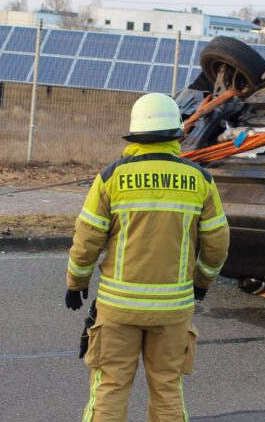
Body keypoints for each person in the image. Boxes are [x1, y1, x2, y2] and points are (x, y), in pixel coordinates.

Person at [66, 93, 230, 421]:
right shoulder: (201, 180)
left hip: (118, 308)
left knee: (109, 386)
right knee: (167, 387)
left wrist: (76, 282)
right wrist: (201, 283)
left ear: (135, 135)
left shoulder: (112, 177)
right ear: (176, 136)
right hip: (173, 309)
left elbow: (88, 239)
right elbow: (217, 245)